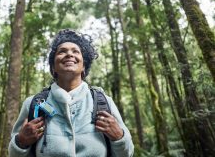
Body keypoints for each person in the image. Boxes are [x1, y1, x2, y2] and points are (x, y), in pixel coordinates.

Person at [9, 29, 134, 157]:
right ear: (53, 67)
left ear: (84, 66)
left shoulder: (104, 102)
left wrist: (119, 137)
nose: (69, 54)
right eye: (62, 51)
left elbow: (127, 153)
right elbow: (13, 154)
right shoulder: (32, 103)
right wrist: (21, 142)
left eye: (75, 51)